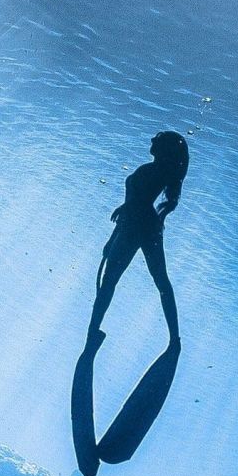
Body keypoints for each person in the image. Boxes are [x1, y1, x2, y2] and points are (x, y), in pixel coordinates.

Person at [87, 131, 188, 348]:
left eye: (157, 140)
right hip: (139, 226)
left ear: (164, 150)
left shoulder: (156, 171)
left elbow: (138, 201)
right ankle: (175, 338)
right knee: (158, 280)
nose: (152, 140)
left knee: (113, 281)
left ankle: (93, 331)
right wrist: (113, 237)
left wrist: (120, 223)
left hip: (136, 227)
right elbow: (135, 202)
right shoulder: (153, 170)